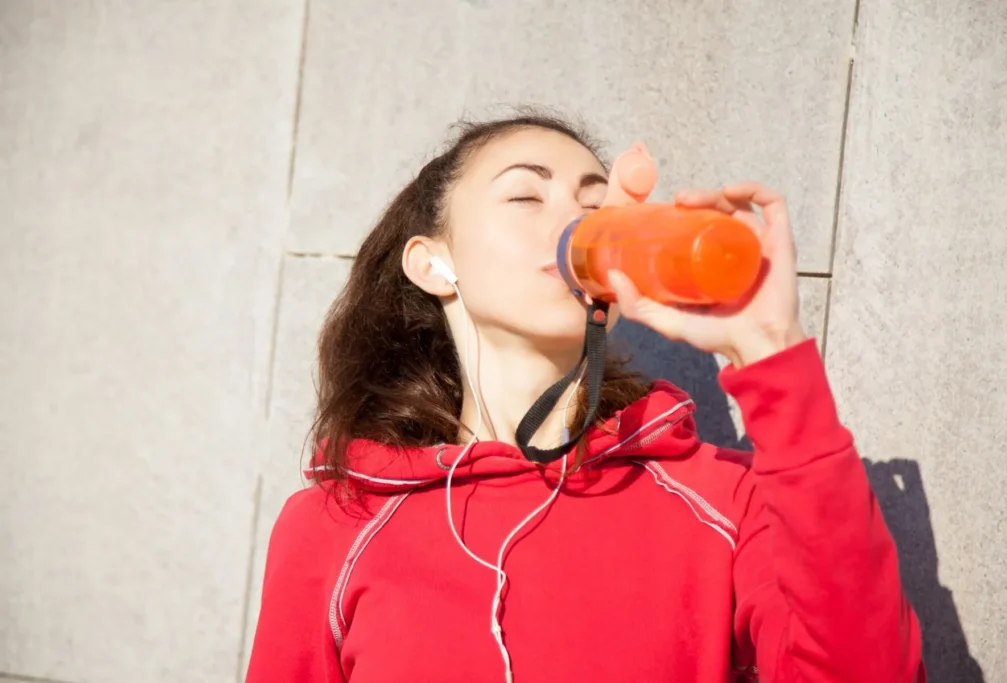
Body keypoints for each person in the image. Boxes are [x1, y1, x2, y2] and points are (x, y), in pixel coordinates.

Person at [246, 112, 925, 683]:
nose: (574, 220)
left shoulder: (718, 498)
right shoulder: (335, 524)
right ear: (433, 262)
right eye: (526, 197)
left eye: (595, 205)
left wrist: (770, 347)